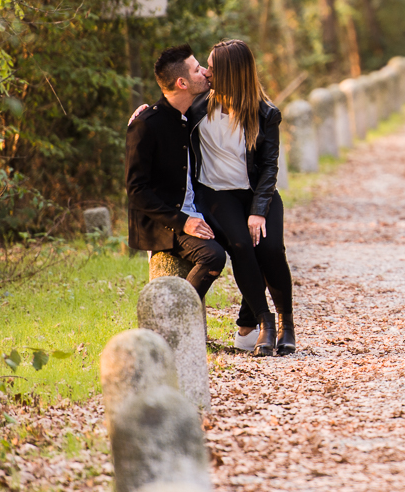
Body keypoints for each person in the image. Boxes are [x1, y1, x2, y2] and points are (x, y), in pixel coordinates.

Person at [188, 39, 295, 357]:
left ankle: (286, 324)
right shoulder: (198, 108)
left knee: (272, 248)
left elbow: (269, 167)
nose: (205, 72)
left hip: (258, 194)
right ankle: (264, 324)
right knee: (241, 246)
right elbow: (166, 112)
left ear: (230, 73)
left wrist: (259, 211)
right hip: (216, 195)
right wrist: (144, 112)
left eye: (211, 66)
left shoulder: (265, 113)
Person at [125, 45, 226, 303]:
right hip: (166, 221)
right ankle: (177, 313)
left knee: (246, 241)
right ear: (182, 82)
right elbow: (137, 191)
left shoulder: (192, 111)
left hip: (197, 208)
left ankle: (251, 323)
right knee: (213, 256)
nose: (204, 72)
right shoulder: (145, 125)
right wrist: (183, 221)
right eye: (197, 69)